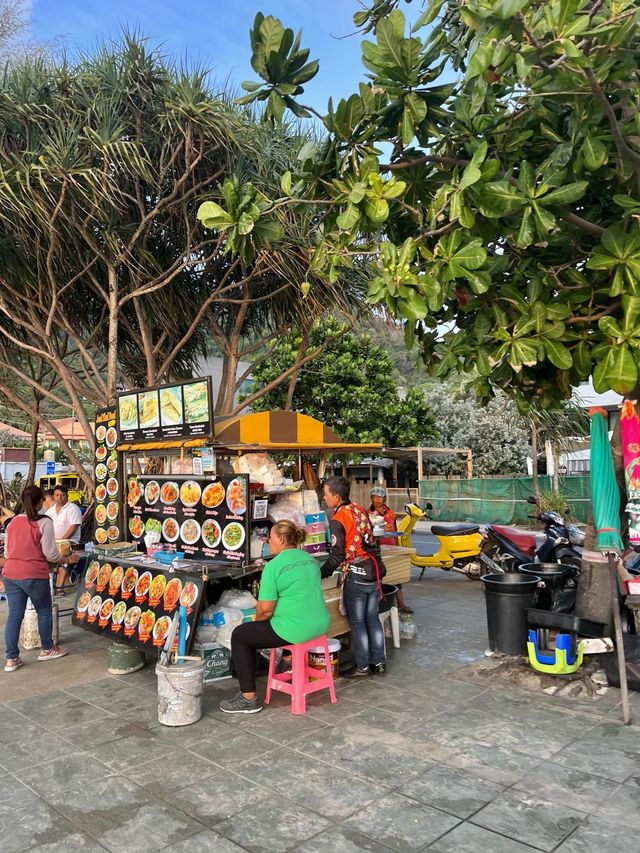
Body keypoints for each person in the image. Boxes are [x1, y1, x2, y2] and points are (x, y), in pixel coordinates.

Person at [220, 520, 330, 714]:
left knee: (240, 635)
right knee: (262, 628)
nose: (267, 541)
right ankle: (286, 661)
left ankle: (248, 698)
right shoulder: (309, 559)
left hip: (296, 629)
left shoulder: (274, 566)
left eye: (269, 537)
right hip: (320, 624)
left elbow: (265, 610)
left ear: (280, 539)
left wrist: (255, 623)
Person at [1, 485, 77, 672]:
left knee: (14, 616)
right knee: (44, 611)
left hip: (11, 573)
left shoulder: (12, 522)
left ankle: (11, 659)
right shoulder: (44, 522)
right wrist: (68, 558)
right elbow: (51, 554)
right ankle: (47, 649)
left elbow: (9, 551)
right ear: (40, 502)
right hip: (34, 573)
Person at [322, 476, 386, 678]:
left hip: (357, 575)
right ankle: (379, 662)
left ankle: (363, 667)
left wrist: (320, 573)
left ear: (337, 497)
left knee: (358, 622)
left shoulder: (338, 519)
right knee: (372, 618)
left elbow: (337, 555)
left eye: (326, 494)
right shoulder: (359, 509)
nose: (324, 498)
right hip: (374, 572)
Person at [369, 486, 413, 615]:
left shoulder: (391, 512)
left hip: (392, 548)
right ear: (371, 499)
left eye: (380, 497)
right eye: (374, 497)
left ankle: (401, 604)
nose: (377, 500)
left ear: (384, 498)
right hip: (377, 549)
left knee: (397, 577)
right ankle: (383, 604)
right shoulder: (369, 514)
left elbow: (395, 530)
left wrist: (399, 547)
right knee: (381, 579)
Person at [46, 484, 82, 596]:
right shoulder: (50, 511)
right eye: (57, 495)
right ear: (54, 496)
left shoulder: (73, 508)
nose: (60, 497)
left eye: (62, 495)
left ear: (67, 496)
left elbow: (74, 526)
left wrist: (61, 541)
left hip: (70, 542)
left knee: (63, 556)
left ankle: (59, 587)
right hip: (53, 542)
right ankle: (47, 585)